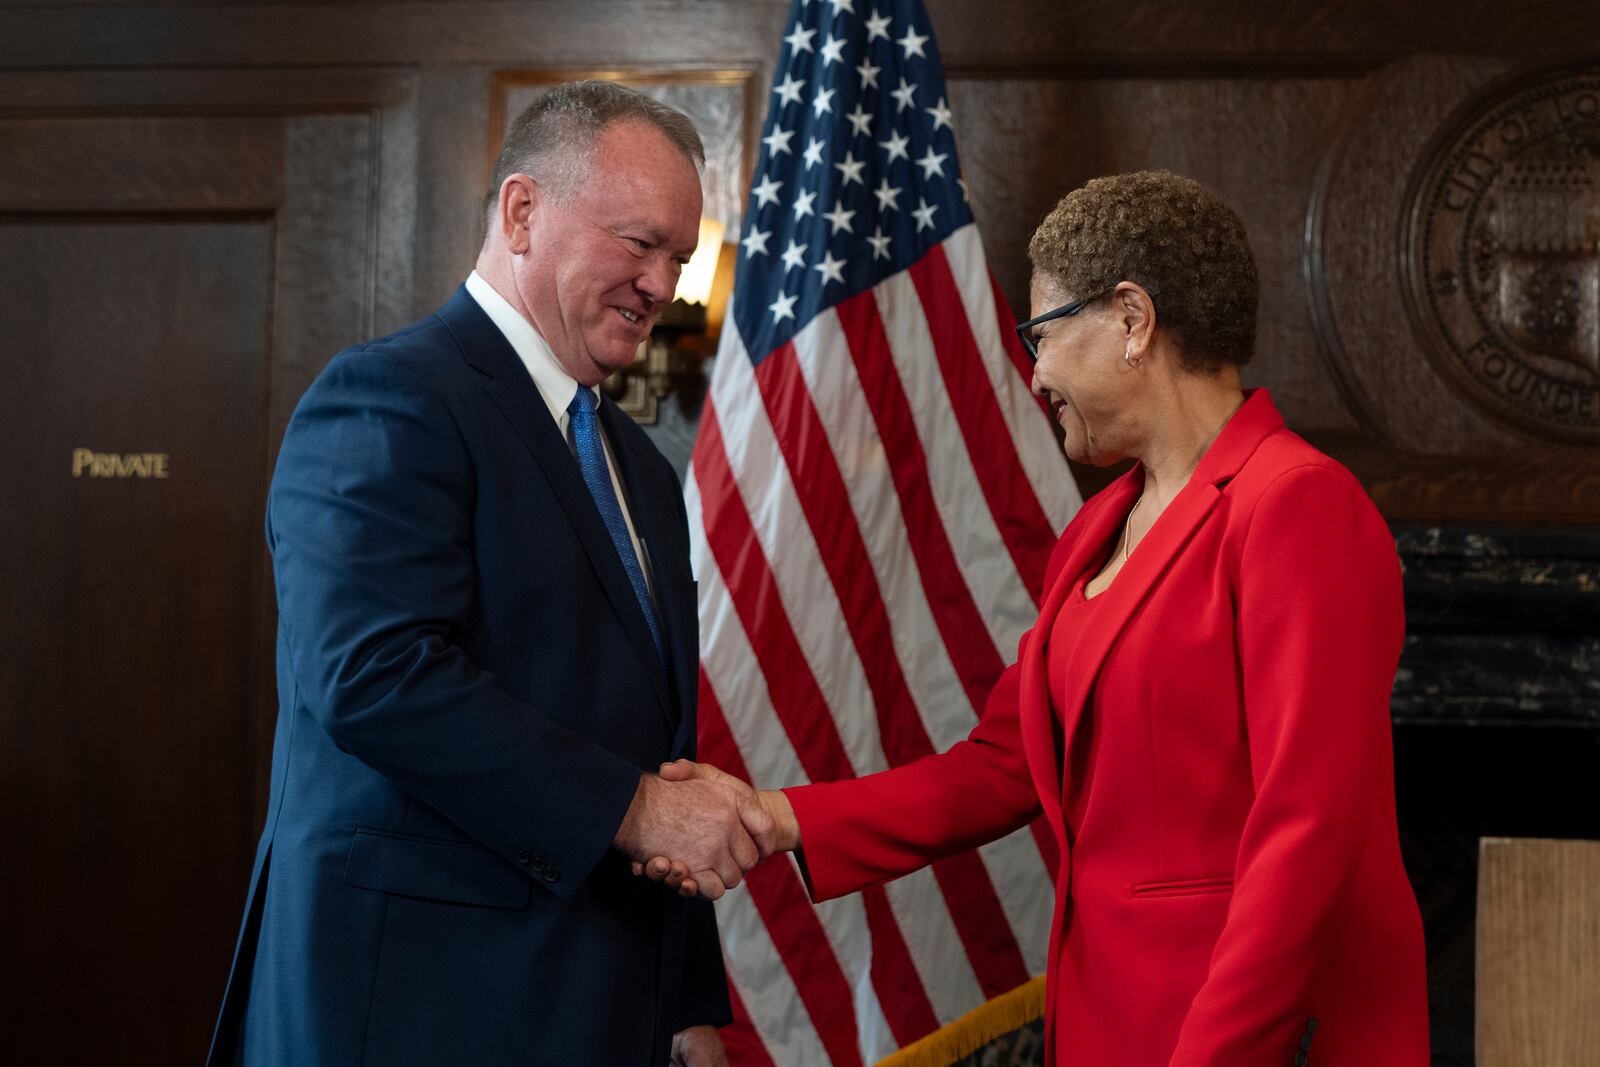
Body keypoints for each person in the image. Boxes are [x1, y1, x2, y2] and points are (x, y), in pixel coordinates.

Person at [645, 171, 1430, 1065]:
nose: (1034, 372)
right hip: (1106, 1022)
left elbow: (1308, 832)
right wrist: (780, 815)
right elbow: (1001, 766)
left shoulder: (1297, 506)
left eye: (1042, 333)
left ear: (1132, 319)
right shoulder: (1099, 529)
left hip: (1243, 1034)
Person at [208, 81, 773, 1067]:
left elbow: (648, 734)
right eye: (639, 242)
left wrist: (683, 1000)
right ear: (522, 211)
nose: (665, 284)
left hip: (598, 1008)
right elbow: (376, 675)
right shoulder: (388, 398)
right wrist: (637, 810)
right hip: (410, 1009)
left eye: (680, 257)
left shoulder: (634, 462)